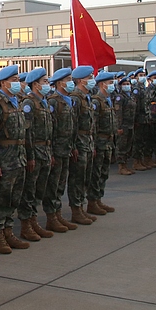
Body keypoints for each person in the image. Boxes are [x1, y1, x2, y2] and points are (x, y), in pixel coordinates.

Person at [0, 65, 31, 253]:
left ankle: (9, 231)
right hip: (4, 161)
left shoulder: (17, 101)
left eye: (18, 80)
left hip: (17, 160)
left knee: (13, 199)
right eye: (13, 80)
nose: (17, 83)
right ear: (3, 83)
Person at [17, 67, 55, 241]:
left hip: (45, 151)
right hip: (35, 152)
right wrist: (30, 156)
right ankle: (26, 225)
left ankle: (34, 222)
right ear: (35, 85)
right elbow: (28, 132)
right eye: (44, 82)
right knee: (30, 191)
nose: (47, 84)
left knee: (39, 190)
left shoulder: (44, 102)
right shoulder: (29, 103)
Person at [45, 68, 77, 233]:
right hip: (56, 150)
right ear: (59, 83)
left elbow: (71, 128)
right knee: (53, 184)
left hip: (66, 148)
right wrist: (50, 152)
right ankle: (52, 217)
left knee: (61, 183)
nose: (71, 82)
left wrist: (72, 146)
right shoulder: (53, 102)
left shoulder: (68, 100)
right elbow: (50, 130)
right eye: (68, 79)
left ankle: (57, 215)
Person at [68, 66, 97, 225]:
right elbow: (73, 125)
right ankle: (76, 210)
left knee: (85, 177)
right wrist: (74, 146)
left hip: (87, 141)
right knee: (77, 178)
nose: (92, 79)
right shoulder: (76, 98)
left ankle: (81, 208)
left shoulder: (86, 96)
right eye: (89, 77)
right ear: (80, 80)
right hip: (79, 142)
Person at [87, 71, 118, 215]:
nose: (112, 85)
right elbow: (92, 125)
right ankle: (92, 202)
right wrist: (92, 144)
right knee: (96, 173)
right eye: (110, 83)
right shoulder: (96, 101)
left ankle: (99, 199)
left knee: (104, 173)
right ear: (102, 84)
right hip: (99, 142)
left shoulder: (108, 99)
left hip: (108, 141)